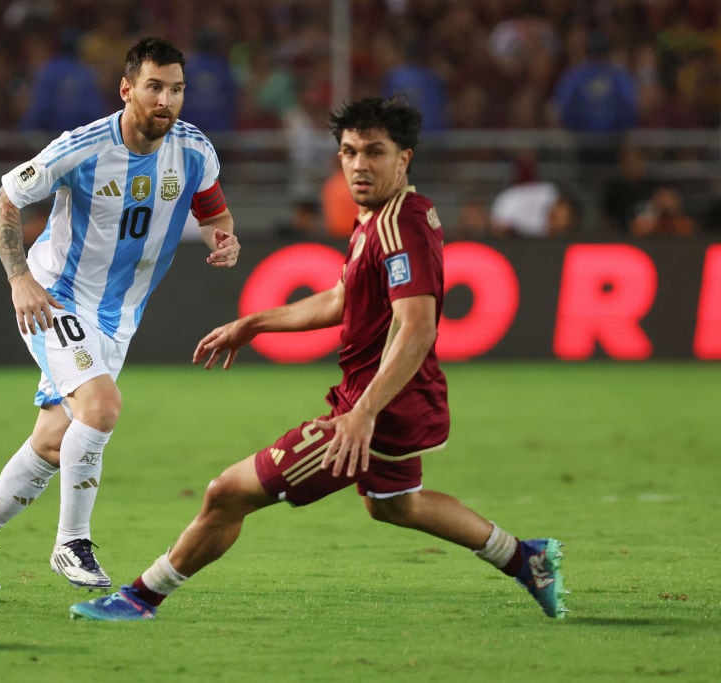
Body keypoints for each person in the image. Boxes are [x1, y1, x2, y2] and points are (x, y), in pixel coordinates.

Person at [69, 97, 566, 621]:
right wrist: (254, 323)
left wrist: (363, 415)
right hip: (397, 400)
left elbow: (418, 327)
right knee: (395, 503)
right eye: (349, 151)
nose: (359, 164)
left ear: (405, 158)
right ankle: (525, 558)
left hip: (377, 408)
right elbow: (340, 298)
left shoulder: (401, 227)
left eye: (375, 152)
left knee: (226, 494)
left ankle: (140, 597)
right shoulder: (379, 216)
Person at [0, 37, 241, 591]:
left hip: (120, 315)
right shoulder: (80, 148)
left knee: (57, 442)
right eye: (154, 87)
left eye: (176, 89)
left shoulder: (195, 150)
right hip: (57, 296)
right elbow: (3, 202)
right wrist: (20, 281)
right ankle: (71, 543)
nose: (166, 100)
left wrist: (224, 241)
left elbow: (214, 212)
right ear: (127, 89)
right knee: (101, 407)